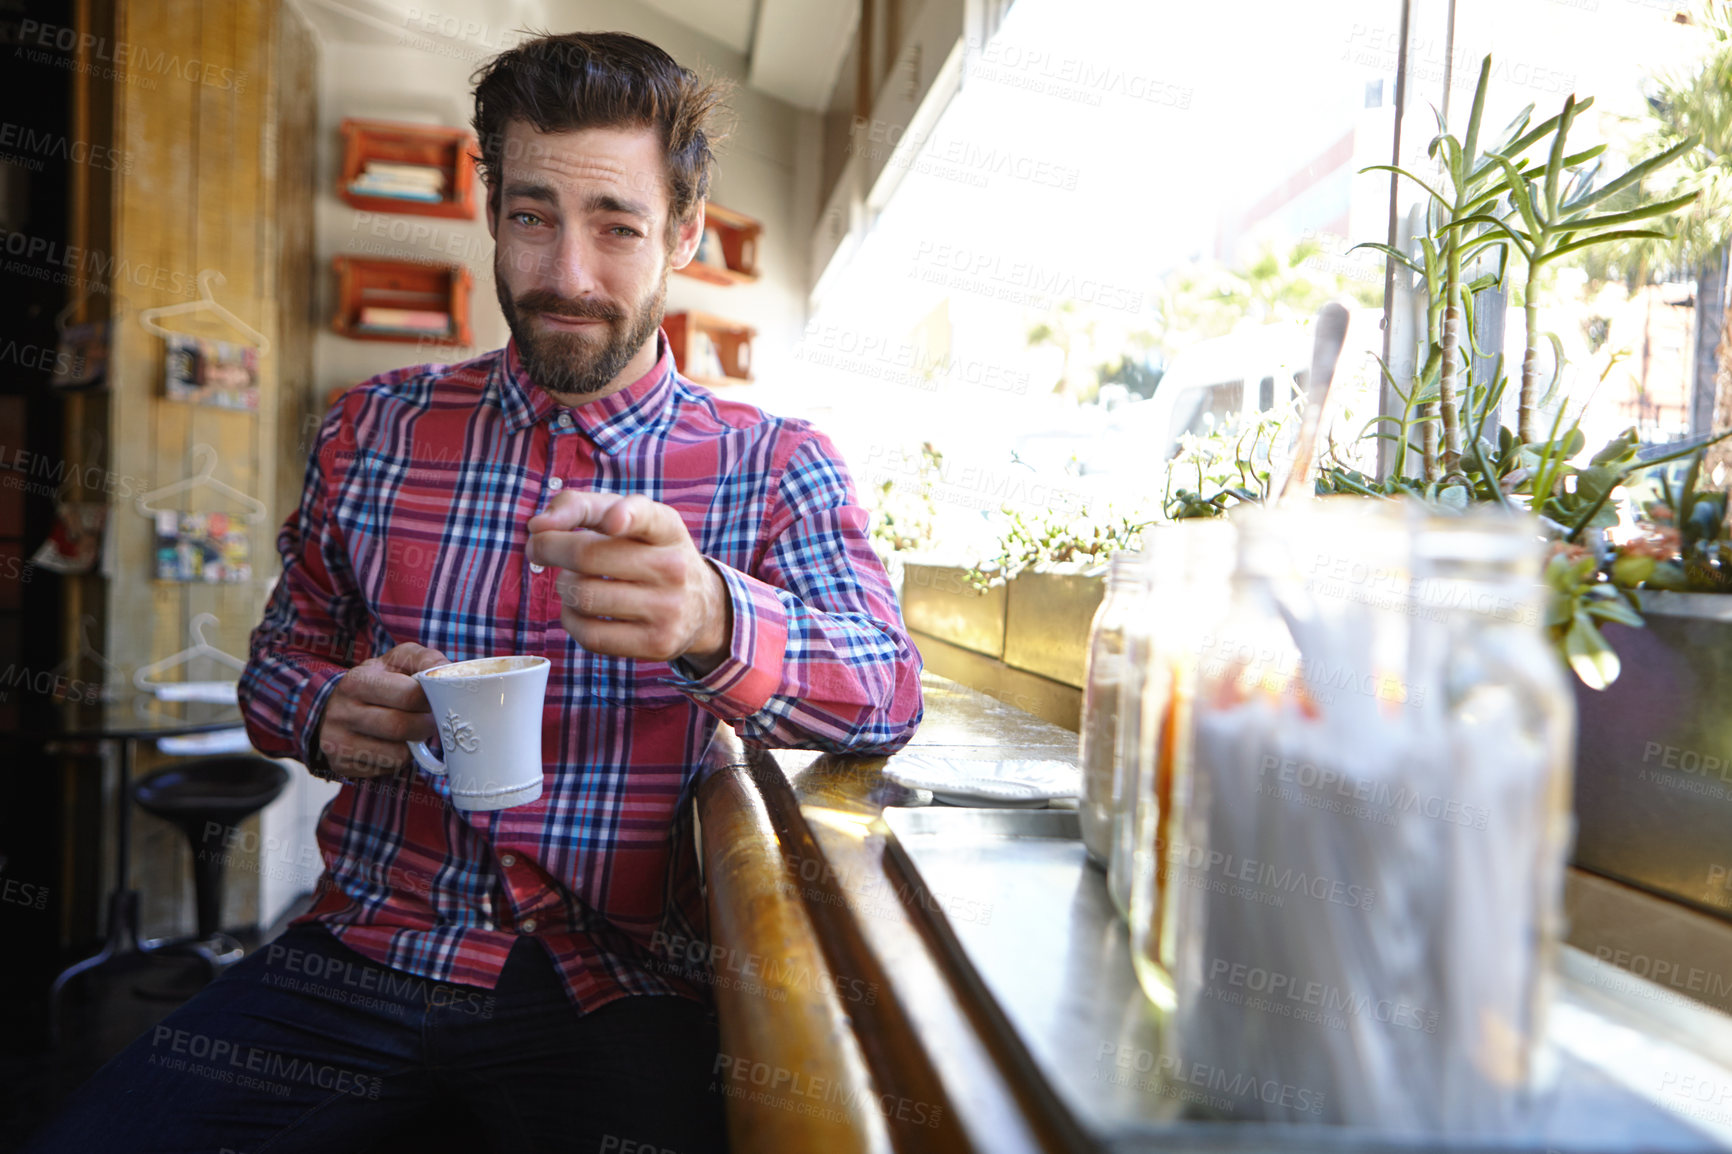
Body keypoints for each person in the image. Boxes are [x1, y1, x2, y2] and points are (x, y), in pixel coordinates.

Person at [26, 29, 923, 1154]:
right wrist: (322, 712)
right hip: (359, 950)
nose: (567, 276)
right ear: (491, 209)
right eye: (534, 215)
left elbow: (887, 692)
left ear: (684, 235)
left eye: (618, 227)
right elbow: (275, 668)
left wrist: (710, 618)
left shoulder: (774, 463)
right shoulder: (375, 427)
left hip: (616, 979)